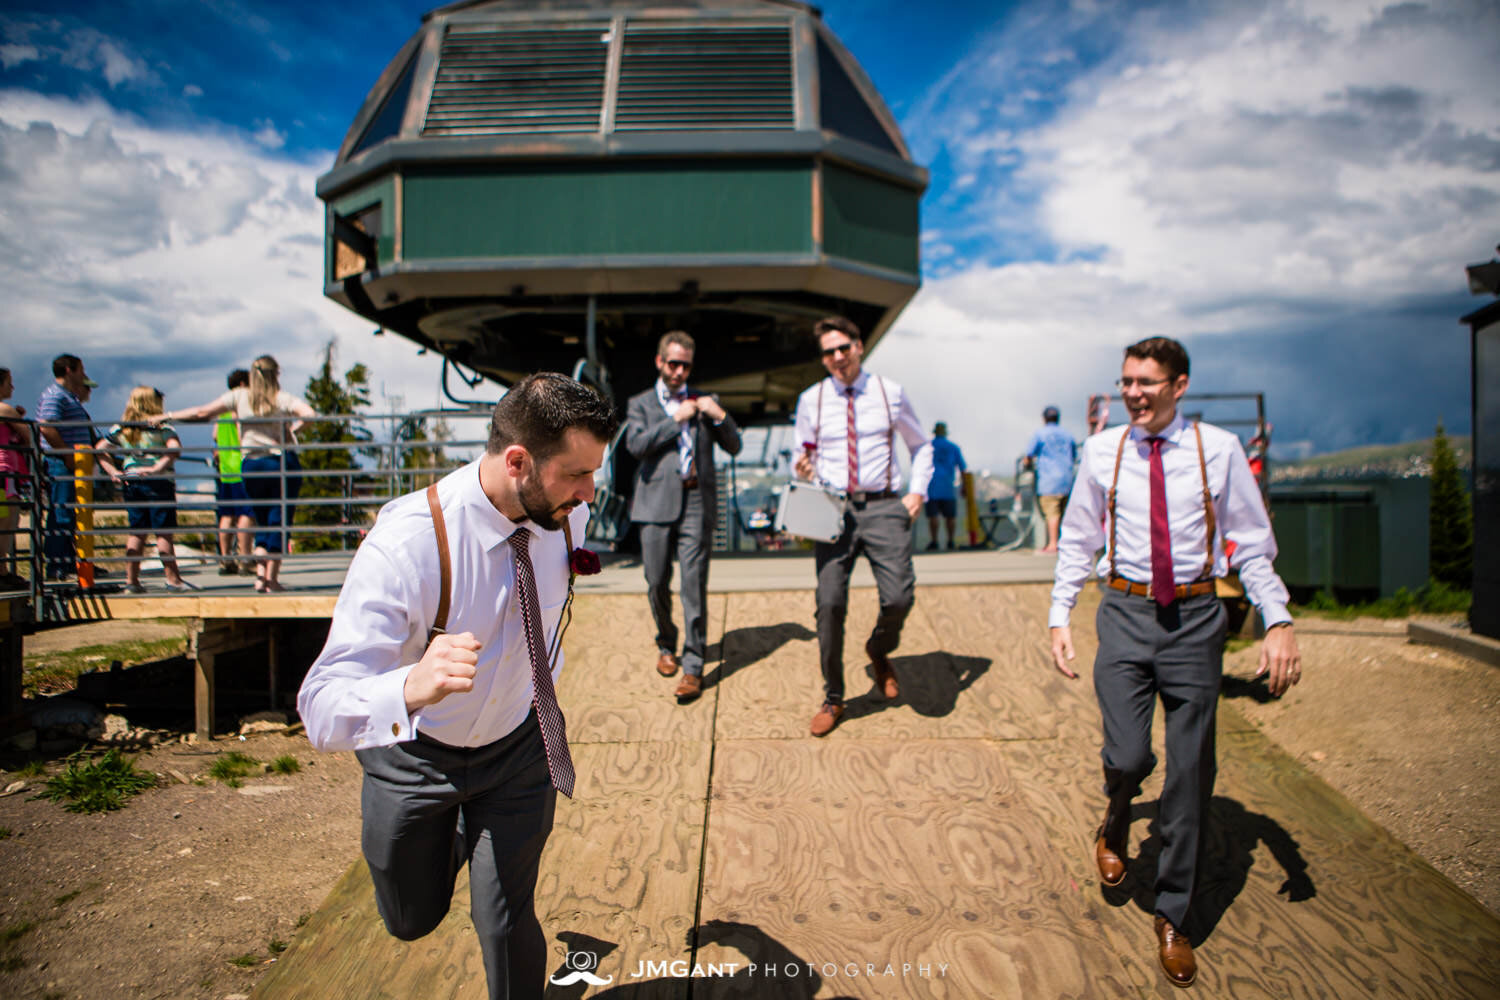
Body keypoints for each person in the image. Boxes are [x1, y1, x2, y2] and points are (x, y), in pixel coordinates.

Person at [297, 373, 618, 1000]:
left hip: (519, 753)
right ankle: (453, 833)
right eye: (577, 474)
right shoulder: (408, 543)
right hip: (417, 759)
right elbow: (320, 703)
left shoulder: (559, 517)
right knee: (411, 919)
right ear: (519, 461)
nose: (589, 493)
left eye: (593, 473)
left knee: (503, 919)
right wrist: (409, 686)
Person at [1046, 336, 1301, 989]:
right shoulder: (1105, 451)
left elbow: (1250, 543)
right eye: (1127, 380)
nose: (1134, 392)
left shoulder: (1216, 451)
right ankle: (1116, 815)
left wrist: (1278, 620)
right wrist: (1059, 615)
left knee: (1190, 778)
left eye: (1147, 382)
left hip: (1194, 623)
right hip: (1125, 616)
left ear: (1179, 386)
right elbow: (1078, 538)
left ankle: (1173, 916)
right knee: (1130, 756)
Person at [793, 316, 933, 737]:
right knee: (830, 604)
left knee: (899, 597)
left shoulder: (890, 394)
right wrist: (801, 469)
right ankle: (833, 697)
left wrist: (918, 492)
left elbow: (921, 446)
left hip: (885, 505)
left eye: (843, 348)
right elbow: (800, 457)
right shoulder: (811, 399)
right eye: (828, 352)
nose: (837, 358)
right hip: (832, 509)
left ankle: (879, 648)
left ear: (858, 346)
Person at [624, 330, 743, 702]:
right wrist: (675, 419)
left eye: (685, 365)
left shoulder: (706, 402)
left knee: (694, 584)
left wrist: (717, 413)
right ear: (660, 362)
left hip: (696, 501)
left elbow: (735, 445)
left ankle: (693, 665)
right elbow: (636, 446)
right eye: (673, 363)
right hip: (654, 503)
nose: (678, 371)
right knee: (656, 580)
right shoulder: (640, 403)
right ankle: (666, 643)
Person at [159, 355, 315, 592]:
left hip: (251, 464)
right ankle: (270, 580)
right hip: (280, 462)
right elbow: (309, 414)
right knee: (279, 520)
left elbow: (202, 413)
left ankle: (261, 578)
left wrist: (167, 416)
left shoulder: (239, 396)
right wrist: (292, 431)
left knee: (262, 520)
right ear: (276, 375)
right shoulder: (281, 398)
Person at [96, 387, 194, 593]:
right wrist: (157, 467)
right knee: (163, 533)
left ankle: (131, 581)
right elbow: (174, 448)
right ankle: (173, 579)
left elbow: (100, 448)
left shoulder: (122, 427)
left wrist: (113, 471)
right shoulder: (161, 425)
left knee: (137, 532)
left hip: (132, 480)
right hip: (158, 481)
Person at [35, 354, 97, 581]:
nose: (83, 373)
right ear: (70, 370)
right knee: (61, 512)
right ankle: (57, 566)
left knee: (72, 513)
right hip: (61, 463)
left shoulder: (67, 396)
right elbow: (47, 427)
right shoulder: (54, 395)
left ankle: (72, 563)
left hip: (74, 463)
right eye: (81, 368)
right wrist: (67, 454)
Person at [212, 368, 255, 575]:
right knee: (246, 513)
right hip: (241, 466)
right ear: (243, 385)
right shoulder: (239, 406)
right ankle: (245, 559)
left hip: (225, 468)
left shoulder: (222, 409)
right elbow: (241, 432)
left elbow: (214, 435)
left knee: (226, 514)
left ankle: (225, 559)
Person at [1024, 405, 1078, 553]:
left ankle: (1053, 544)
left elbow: (1029, 454)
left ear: (1044, 418)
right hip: (1067, 479)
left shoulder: (1040, 434)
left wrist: (1027, 464)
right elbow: (1074, 456)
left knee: (1051, 513)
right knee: (1066, 514)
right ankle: (1067, 544)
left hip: (1048, 481)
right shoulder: (1068, 434)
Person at [0, 367, 34, 583]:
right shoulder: (4, 409)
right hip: (5, 472)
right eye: (8, 382)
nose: (12, 387)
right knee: (7, 521)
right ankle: (2, 572)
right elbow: (29, 437)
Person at [923, 421, 966, 550]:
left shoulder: (928, 447)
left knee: (933, 516)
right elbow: (963, 468)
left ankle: (934, 541)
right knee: (950, 516)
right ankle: (950, 541)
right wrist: (964, 486)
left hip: (931, 485)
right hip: (948, 486)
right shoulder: (953, 447)